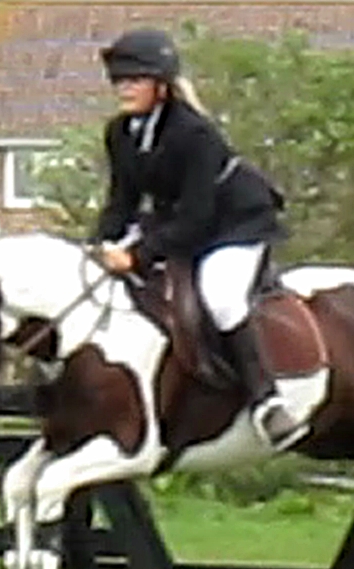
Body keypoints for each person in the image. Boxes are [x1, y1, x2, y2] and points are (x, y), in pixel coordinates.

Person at [90, 27, 307, 451]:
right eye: (119, 80)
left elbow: (196, 218)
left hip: (234, 223)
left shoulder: (194, 134)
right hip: (179, 221)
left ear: (161, 86)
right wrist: (98, 244)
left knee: (221, 297)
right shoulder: (120, 133)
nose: (124, 88)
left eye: (135, 80)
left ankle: (267, 402)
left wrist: (137, 256)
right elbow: (122, 201)